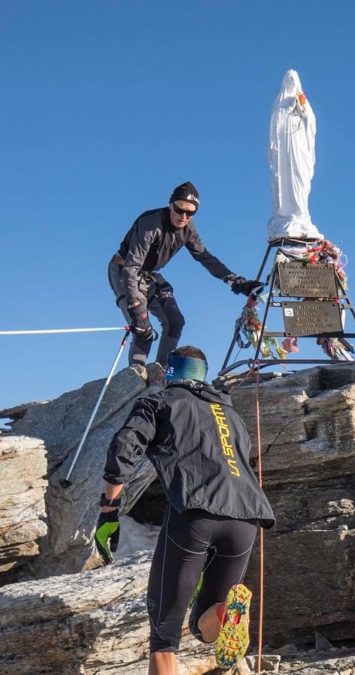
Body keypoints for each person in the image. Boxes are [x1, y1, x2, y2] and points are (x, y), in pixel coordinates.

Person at [95, 345, 275, 674]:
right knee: (203, 625)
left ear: (171, 372)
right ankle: (226, 613)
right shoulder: (229, 413)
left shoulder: (159, 401)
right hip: (247, 519)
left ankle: (218, 615)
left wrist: (109, 509)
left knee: (164, 639)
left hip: (196, 514)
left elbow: (125, 445)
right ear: (203, 375)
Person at [109, 181, 263, 367]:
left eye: (190, 213)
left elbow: (205, 257)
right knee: (144, 330)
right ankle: (136, 376)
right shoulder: (151, 223)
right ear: (170, 205)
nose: (183, 217)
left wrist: (236, 281)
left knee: (175, 322)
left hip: (149, 274)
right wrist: (137, 309)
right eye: (179, 210)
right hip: (124, 270)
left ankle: (160, 373)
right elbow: (131, 268)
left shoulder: (188, 229)